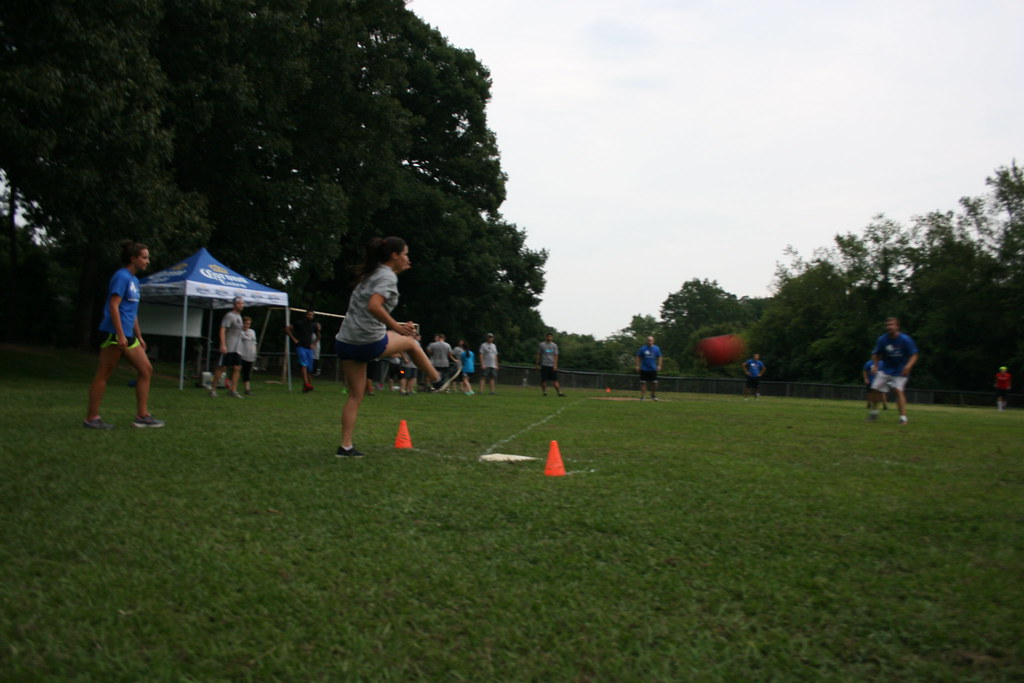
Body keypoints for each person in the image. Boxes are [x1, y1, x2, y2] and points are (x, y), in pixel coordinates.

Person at [333, 236, 442, 457]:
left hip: (345, 342)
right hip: (367, 342)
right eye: (405, 254)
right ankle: (436, 379)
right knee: (410, 342)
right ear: (394, 255)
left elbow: (368, 309)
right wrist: (398, 328)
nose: (407, 258)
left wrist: (397, 326)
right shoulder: (387, 276)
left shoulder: (371, 274)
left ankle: (345, 447)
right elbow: (374, 306)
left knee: (355, 396)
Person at [84, 240, 164, 429]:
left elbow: (131, 311)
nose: (147, 261)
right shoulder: (121, 277)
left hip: (128, 335)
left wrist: (139, 336)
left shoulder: (134, 281)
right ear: (133, 258)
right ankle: (91, 418)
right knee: (104, 373)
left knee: (146, 370)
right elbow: (114, 306)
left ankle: (142, 415)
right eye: (144, 257)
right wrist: (120, 334)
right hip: (114, 333)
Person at [868, 317, 919, 425]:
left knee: (898, 390)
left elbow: (914, 355)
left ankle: (903, 418)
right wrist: (875, 366)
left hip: (900, 371)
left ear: (897, 326)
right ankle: (874, 412)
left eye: (891, 324)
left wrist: (908, 367)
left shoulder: (905, 339)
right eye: (887, 325)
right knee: (874, 389)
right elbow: (876, 354)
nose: (889, 327)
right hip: (885, 369)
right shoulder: (882, 339)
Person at [210, 296, 245, 398]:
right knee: (223, 368)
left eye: (242, 303)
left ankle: (233, 390)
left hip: (237, 347)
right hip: (229, 345)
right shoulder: (229, 316)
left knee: (237, 367)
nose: (241, 305)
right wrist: (223, 344)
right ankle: (213, 389)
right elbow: (222, 329)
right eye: (239, 303)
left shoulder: (240, 317)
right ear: (235, 304)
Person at [287, 309, 321, 393]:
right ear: (306, 315)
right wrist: (294, 339)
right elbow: (287, 329)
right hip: (300, 346)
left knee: (310, 367)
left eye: (312, 315)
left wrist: (314, 344)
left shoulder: (313, 325)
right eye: (309, 315)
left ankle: (306, 386)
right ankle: (306, 383)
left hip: (309, 348)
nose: (310, 316)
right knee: (304, 364)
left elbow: (319, 335)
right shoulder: (299, 323)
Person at [536, 332, 566, 397]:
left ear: (552, 338)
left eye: (550, 336)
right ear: (546, 337)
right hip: (544, 365)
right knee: (544, 380)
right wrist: (537, 363)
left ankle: (559, 392)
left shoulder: (554, 345)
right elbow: (539, 354)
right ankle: (545, 392)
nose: (549, 337)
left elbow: (556, 355)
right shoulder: (542, 345)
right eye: (548, 336)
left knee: (555, 380)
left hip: (551, 365)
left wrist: (555, 365)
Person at [635, 336, 663, 400]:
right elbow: (638, 356)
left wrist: (659, 365)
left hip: (653, 368)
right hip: (644, 368)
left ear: (653, 341)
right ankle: (643, 397)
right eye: (649, 340)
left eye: (651, 340)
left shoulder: (656, 348)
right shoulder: (643, 349)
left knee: (654, 382)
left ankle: (653, 395)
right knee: (643, 382)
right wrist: (637, 365)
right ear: (647, 341)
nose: (650, 342)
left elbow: (660, 357)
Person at [238, 315, 258, 395]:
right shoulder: (239, 332)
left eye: (249, 324)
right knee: (237, 370)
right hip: (241, 354)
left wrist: (255, 352)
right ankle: (232, 387)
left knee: (247, 372)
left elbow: (254, 342)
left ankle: (247, 389)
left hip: (250, 355)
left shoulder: (252, 332)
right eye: (246, 323)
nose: (247, 325)